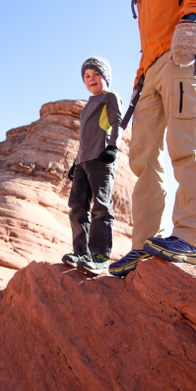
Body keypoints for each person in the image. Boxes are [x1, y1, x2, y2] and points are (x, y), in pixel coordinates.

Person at [108, 0, 196, 277]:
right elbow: (145, 43)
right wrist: (139, 80)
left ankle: (189, 238)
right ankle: (143, 245)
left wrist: (191, 20)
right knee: (142, 160)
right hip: (151, 72)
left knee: (185, 144)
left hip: (182, 54)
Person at [62, 57, 123, 276]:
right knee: (77, 206)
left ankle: (100, 256)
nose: (91, 79)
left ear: (106, 77)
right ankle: (81, 252)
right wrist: (75, 162)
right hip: (82, 162)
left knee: (101, 206)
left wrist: (113, 147)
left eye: (96, 74)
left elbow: (117, 123)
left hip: (101, 159)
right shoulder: (87, 105)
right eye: (87, 76)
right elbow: (84, 138)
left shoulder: (110, 97)